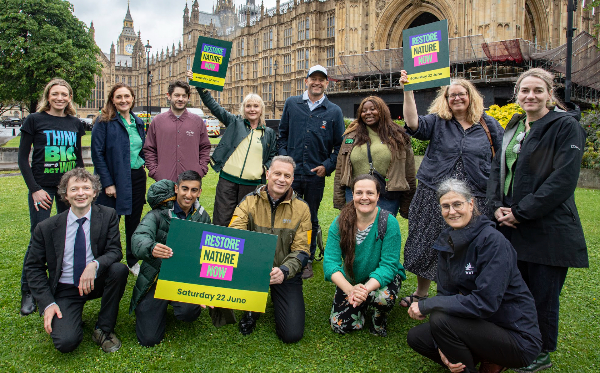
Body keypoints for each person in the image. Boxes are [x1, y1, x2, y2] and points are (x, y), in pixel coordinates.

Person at [487, 68, 588, 372]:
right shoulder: (515, 126)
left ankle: (541, 352)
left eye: (537, 91)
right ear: (517, 94)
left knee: (543, 296)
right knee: (516, 290)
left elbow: (562, 180)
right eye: (525, 91)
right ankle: (518, 341)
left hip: (547, 228)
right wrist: (495, 207)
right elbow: (497, 170)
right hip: (508, 226)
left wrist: (521, 211)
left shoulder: (565, 127)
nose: (530, 96)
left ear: (549, 93)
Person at [407, 178, 542, 373]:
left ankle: (483, 363)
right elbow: (446, 295)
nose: (452, 211)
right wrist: (442, 346)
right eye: (446, 206)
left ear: (471, 204)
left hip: (516, 337)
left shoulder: (493, 242)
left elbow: (485, 302)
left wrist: (427, 304)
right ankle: (480, 357)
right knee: (418, 337)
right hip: (479, 326)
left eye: (457, 204)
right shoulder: (447, 241)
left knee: (440, 319)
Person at [399, 70, 503, 307]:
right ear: (445, 99)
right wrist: (408, 90)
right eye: (451, 95)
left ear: (471, 96)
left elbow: (500, 160)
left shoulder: (489, 125)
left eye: (461, 94)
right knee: (426, 241)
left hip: (474, 195)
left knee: (468, 246)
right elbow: (413, 123)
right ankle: (421, 292)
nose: (456, 98)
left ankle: (463, 293)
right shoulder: (438, 122)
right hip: (433, 194)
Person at [25, 168, 128, 353]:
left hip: (95, 280)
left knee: (119, 270)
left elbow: (115, 251)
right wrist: (47, 303)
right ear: (65, 194)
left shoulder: (108, 215)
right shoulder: (46, 227)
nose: (81, 193)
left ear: (95, 192)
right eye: (74, 189)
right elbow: (33, 267)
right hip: (65, 288)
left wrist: (94, 265)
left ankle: (103, 329)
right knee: (66, 342)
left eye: (86, 188)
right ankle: (70, 318)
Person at [130, 170, 236, 347]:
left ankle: (175, 302)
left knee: (189, 312)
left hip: (182, 278)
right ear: (176, 188)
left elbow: (208, 253)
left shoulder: (202, 216)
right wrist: (152, 247)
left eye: (194, 190)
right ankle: (155, 307)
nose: (189, 195)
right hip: (156, 278)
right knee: (149, 339)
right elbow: (138, 239)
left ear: (200, 192)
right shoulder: (157, 214)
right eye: (185, 189)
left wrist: (206, 288)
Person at [18, 78, 86, 316]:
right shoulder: (34, 120)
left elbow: (77, 159)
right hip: (43, 188)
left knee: (65, 234)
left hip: (66, 189)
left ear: (69, 98)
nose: (60, 98)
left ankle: (56, 284)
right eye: (55, 94)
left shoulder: (75, 123)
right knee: (39, 236)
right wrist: (35, 188)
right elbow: (22, 159)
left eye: (64, 94)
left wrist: (80, 187)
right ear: (48, 96)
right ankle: (28, 290)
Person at [228, 155, 311, 343]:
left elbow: (302, 250)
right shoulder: (249, 201)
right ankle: (251, 308)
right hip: (253, 269)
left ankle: (275, 296)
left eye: (287, 176)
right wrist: (256, 263)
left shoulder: (302, 208)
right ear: (267, 174)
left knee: (291, 335)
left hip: (284, 272)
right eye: (277, 173)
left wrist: (284, 271)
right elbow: (235, 234)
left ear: (292, 179)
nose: (282, 179)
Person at [278, 64, 345, 279]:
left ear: (327, 83)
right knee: (285, 214)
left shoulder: (334, 111)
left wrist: (327, 166)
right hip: (291, 175)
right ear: (306, 81)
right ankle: (284, 254)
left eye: (321, 79)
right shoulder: (292, 104)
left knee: (310, 218)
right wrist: (285, 164)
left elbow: (340, 146)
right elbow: (282, 136)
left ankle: (305, 259)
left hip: (314, 176)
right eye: (313, 78)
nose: (317, 82)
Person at [186, 70, 277, 228]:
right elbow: (213, 106)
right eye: (248, 106)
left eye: (256, 106)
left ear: (261, 109)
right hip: (228, 180)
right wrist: (200, 85)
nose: (252, 109)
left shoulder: (268, 133)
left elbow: (273, 156)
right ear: (243, 108)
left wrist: (265, 168)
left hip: (252, 184)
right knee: (222, 219)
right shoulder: (235, 122)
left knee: (246, 221)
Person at [324, 174, 406, 337]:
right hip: (352, 281)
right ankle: (362, 304)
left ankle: (379, 316)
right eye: (359, 193)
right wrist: (350, 290)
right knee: (340, 326)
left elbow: (388, 266)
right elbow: (330, 263)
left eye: (370, 193)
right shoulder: (340, 222)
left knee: (383, 297)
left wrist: (365, 289)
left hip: (380, 280)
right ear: (353, 195)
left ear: (378, 196)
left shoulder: (389, 223)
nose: (364, 197)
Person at [91, 83, 146, 276]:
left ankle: (132, 260)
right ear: (112, 100)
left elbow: (142, 148)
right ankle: (106, 261)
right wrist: (107, 183)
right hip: (115, 178)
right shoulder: (104, 121)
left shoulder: (137, 121)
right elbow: (97, 154)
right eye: (119, 97)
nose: (123, 100)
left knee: (134, 221)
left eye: (127, 96)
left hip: (137, 176)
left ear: (132, 99)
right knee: (110, 222)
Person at [333, 96, 416, 218]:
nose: (368, 113)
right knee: (356, 231)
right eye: (364, 110)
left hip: (386, 195)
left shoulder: (398, 137)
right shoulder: (351, 136)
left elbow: (408, 171)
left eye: (373, 109)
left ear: (382, 111)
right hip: (355, 194)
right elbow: (340, 169)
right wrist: (339, 200)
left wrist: (407, 204)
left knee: (382, 231)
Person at [144, 80, 212, 182]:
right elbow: (149, 149)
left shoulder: (197, 121)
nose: (180, 99)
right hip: (164, 180)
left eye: (184, 96)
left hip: (190, 182)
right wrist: (155, 171)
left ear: (188, 97)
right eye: (177, 95)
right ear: (169, 96)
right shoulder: (157, 121)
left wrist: (201, 169)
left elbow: (205, 147)